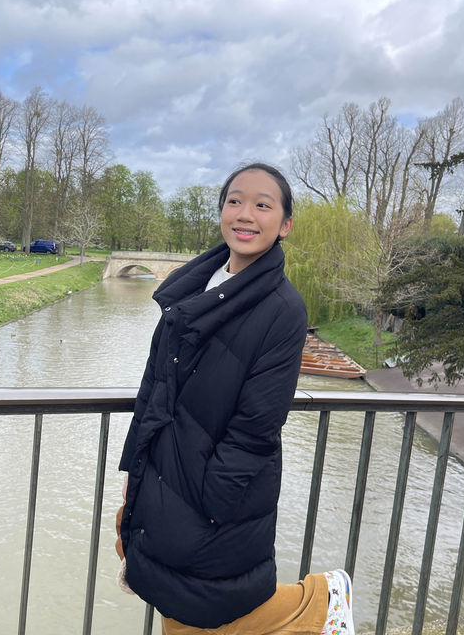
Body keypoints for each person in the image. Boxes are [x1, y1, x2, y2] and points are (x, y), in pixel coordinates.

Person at [116, 163, 355, 635]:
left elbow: (257, 425)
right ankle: (320, 605)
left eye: (263, 205)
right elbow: (153, 388)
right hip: (163, 470)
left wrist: (213, 504)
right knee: (174, 596)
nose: (246, 214)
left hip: (214, 491)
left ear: (284, 225)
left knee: (201, 601)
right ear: (222, 211)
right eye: (234, 201)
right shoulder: (189, 288)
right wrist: (132, 468)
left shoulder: (284, 309)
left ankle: (321, 602)